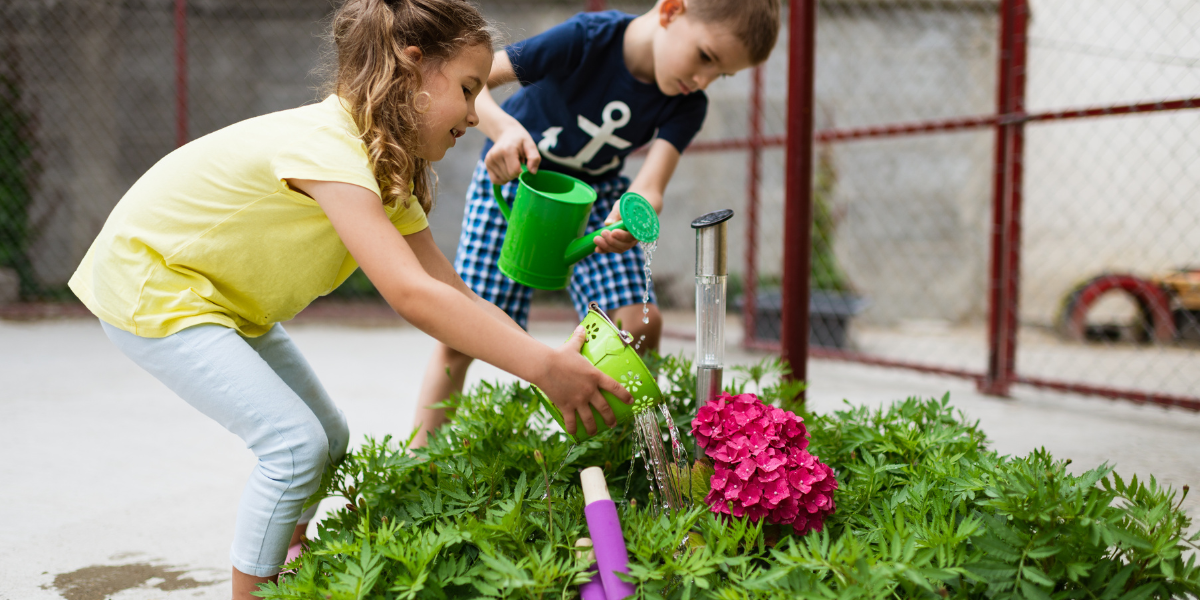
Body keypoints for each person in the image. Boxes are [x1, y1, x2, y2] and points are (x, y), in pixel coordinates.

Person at [67, 0, 631, 597]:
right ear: (413, 68)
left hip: (222, 298)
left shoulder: (383, 171)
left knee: (328, 440)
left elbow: (453, 295)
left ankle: (287, 562)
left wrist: (547, 357)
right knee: (295, 447)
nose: (474, 113)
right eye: (467, 90)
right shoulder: (331, 147)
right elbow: (412, 295)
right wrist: (543, 368)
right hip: (156, 282)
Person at [413, 0, 781, 447]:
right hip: (520, 187)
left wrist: (630, 215)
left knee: (640, 324)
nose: (703, 81)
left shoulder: (688, 105)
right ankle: (420, 463)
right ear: (671, 11)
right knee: (459, 340)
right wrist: (505, 130)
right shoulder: (586, 40)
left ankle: (612, 447)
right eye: (706, 57)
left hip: (597, 201)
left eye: (720, 75)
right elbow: (479, 81)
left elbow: (650, 185)